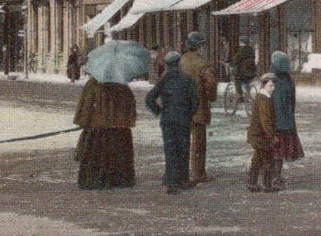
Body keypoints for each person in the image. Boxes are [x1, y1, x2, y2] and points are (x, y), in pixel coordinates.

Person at [145, 50, 197, 194]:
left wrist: (159, 110)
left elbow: (149, 98)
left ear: (167, 64)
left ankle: (171, 181)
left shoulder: (164, 80)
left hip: (167, 119)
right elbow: (195, 101)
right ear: (179, 63)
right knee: (183, 149)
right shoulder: (187, 79)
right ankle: (182, 180)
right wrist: (189, 113)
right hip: (182, 119)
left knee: (170, 150)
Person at [73, 76, 137, 189]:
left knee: (97, 155)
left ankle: (96, 179)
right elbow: (131, 106)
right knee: (117, 155)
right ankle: (119, 180)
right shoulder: (122, 85)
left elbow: (86, 104)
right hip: (119, 129)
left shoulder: (93, 84)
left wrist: (83, 121)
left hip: (98, 128)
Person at [179, 31, 217, 183]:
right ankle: (198, 172)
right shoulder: (203, 64)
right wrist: (210, 97)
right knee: (198, 142)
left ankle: (182, 172)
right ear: (199, 47)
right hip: (198, 107)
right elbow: (211, 84)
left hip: (182, 107)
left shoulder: (180, 61)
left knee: (182, 140)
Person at [270, 50, 304, 188]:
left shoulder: (271, 81)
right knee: (280, 151)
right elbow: (292, 102)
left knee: (273, 151)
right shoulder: (289, 81)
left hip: (273, 123)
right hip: (287, 122)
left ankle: (271, 177)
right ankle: (275, 176)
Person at [247, 73, 279, 193]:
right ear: (264, 85)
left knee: (257, 159)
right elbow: (265, 120)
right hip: (262, 136)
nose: (273, 88)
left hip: (256, 135)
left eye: (273, 85)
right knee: (268, 159)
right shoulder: (264, 99)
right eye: (270, 85)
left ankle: (252, 183)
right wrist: (272, 136)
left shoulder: (262, 97)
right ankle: (267, 185)